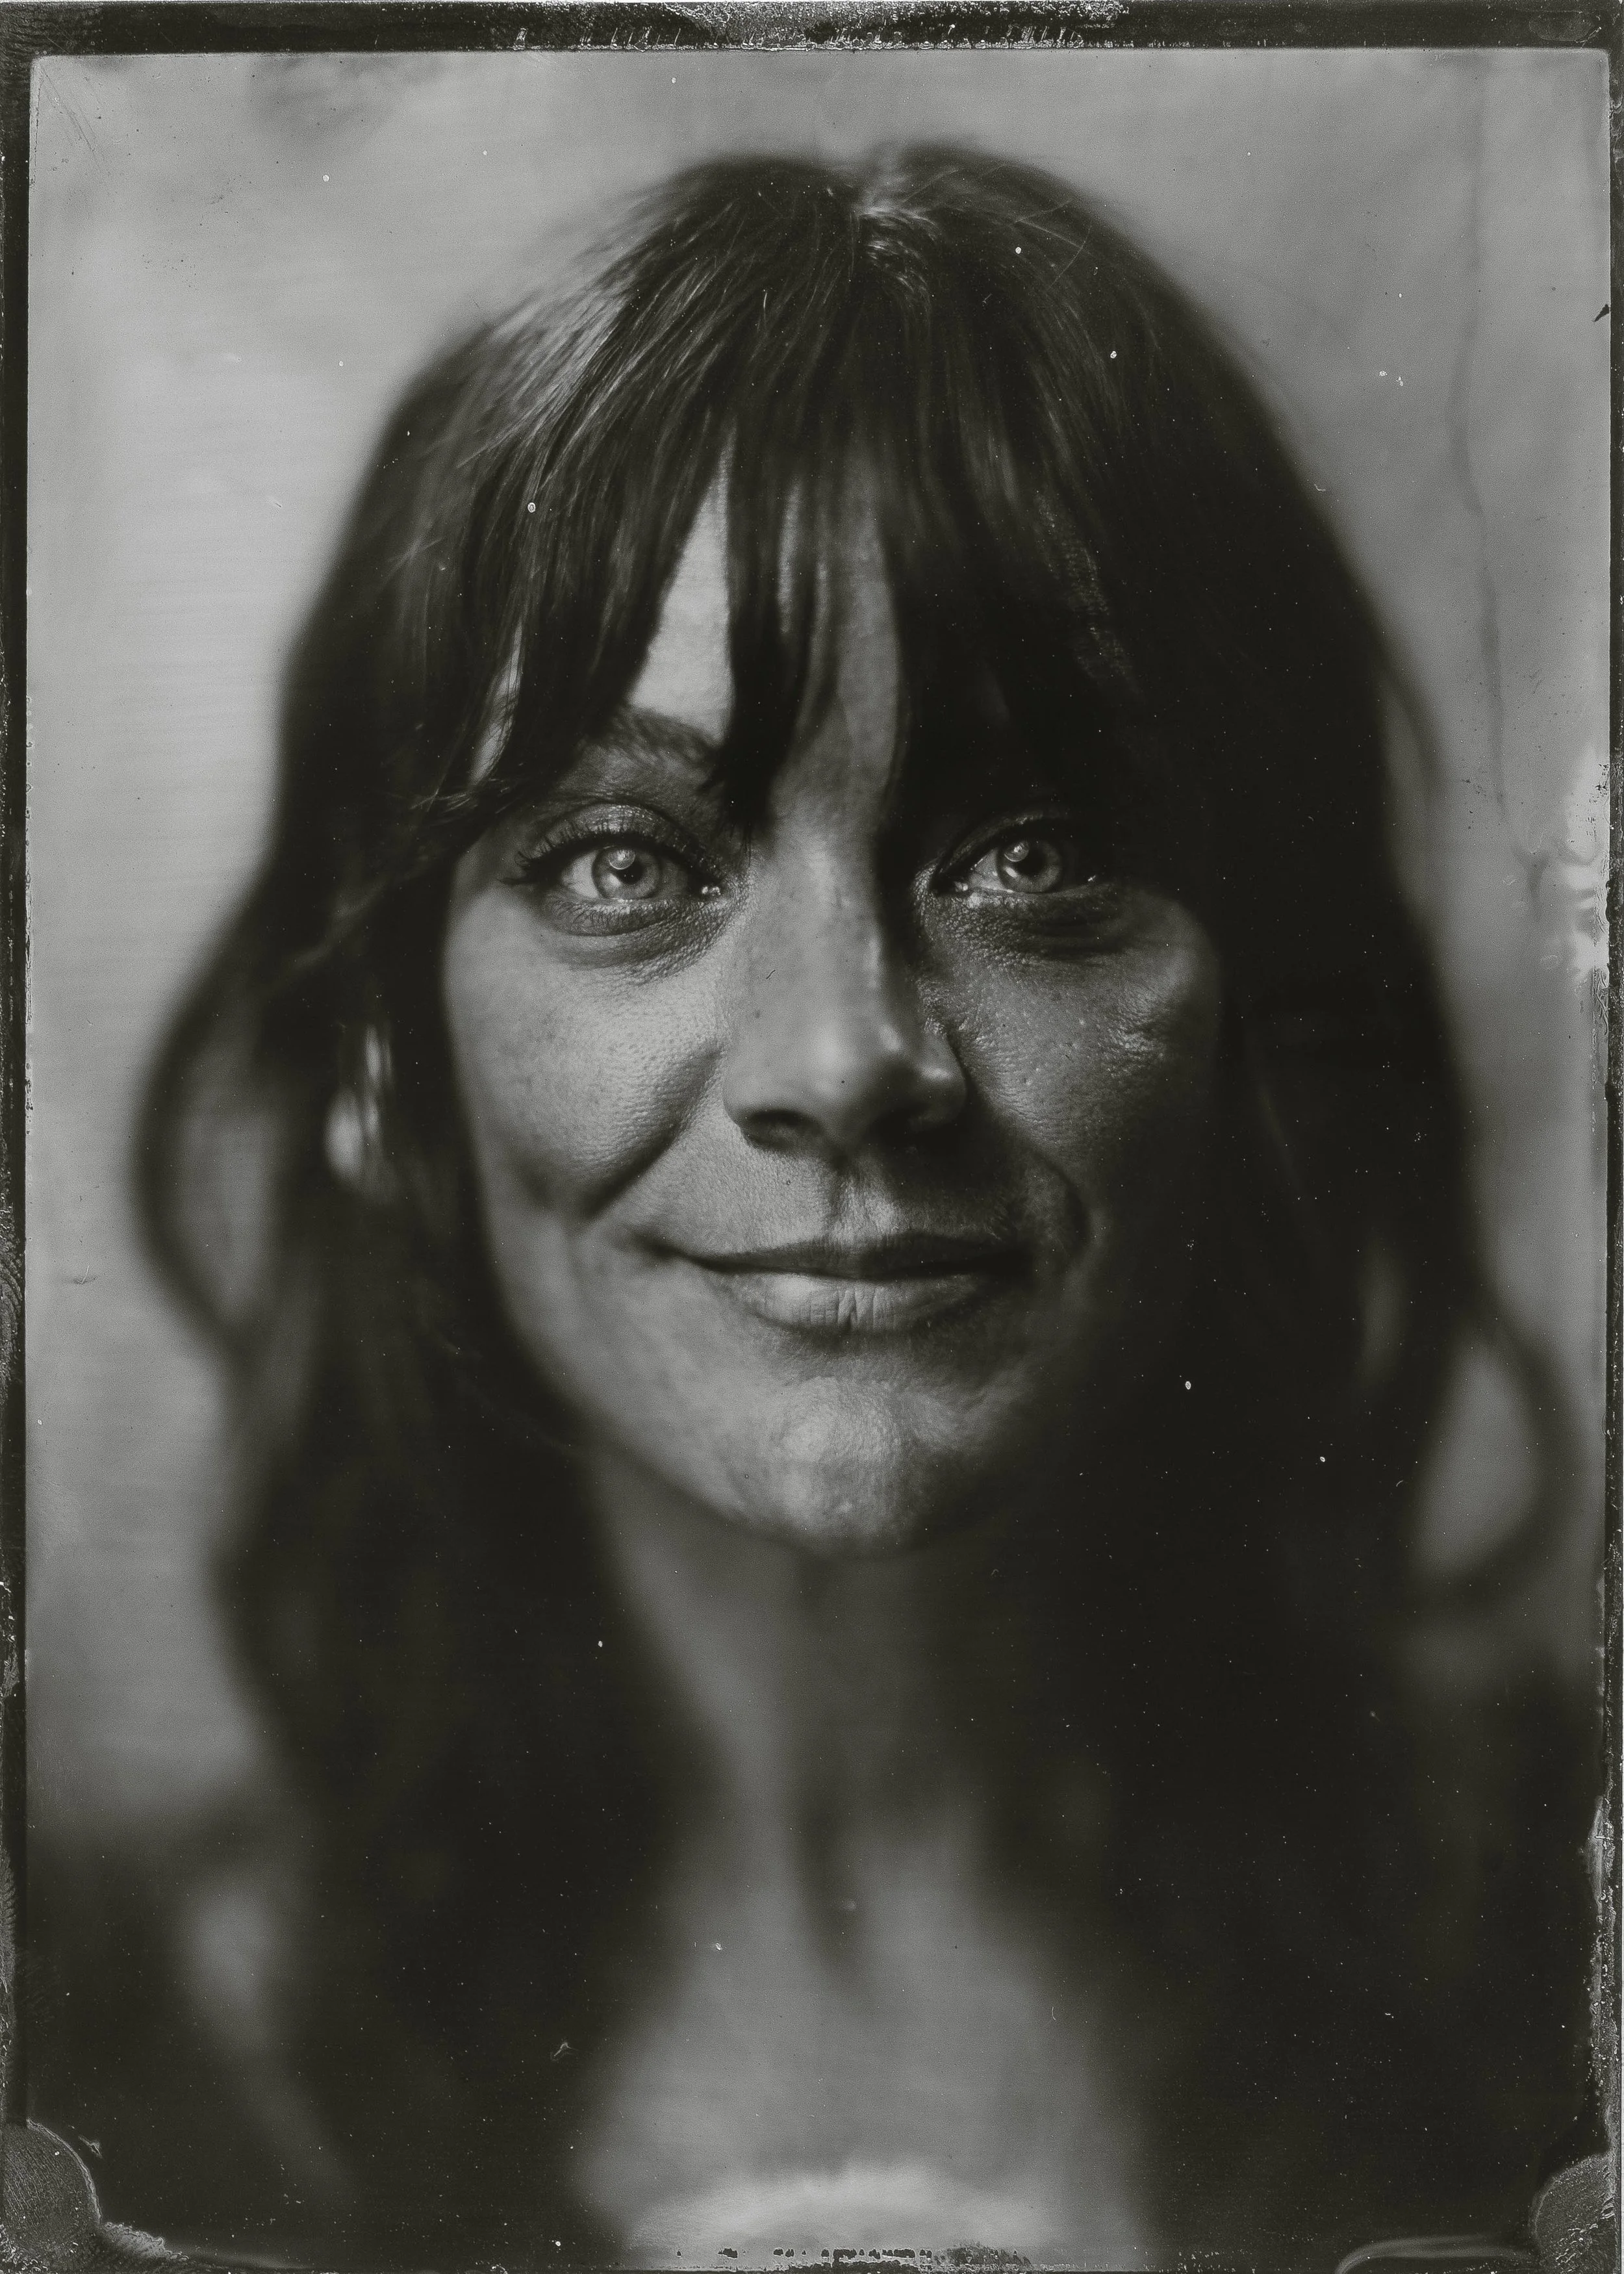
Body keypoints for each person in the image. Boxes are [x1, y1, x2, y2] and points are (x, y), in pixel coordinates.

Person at [103, 146, 1591, 2268]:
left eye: (1033, 848)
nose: (841, 1059)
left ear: (1273, 1015)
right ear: (376, 1061)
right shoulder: (112, 2091)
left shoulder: (1568, 1972)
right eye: (626, 860)